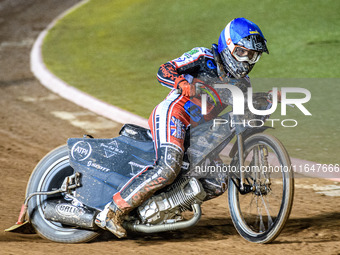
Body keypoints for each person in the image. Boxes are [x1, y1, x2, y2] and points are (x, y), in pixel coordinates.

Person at [95, 17, 269, 238]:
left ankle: (162, 210)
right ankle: (112, 211)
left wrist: (267, 101)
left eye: (252, 55)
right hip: (174, 113)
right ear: (228, 45)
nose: (246, 61)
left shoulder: (243, 85)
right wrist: (181, 83)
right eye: (242, 52)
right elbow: (164, 69)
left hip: (197, 133)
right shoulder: (203, 57)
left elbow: (248, 114)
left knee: (218, 181)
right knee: (168, 166)